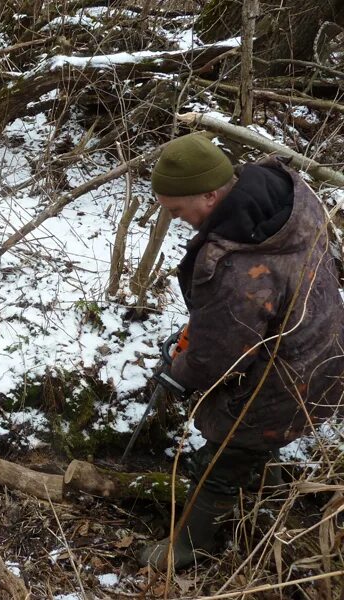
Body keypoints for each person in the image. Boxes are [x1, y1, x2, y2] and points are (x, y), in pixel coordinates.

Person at [138, 133, 344, 569]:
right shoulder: (283, 199)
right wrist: (203, 326)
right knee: (252, 445)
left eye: (177, 210)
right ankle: (260, 482)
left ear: (211, 194)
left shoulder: (233, 264)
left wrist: (180, 372)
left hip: (287, 380)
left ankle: (187, 549)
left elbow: (219, 357)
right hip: (324, 348)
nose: (177, 219)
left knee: (223, 459)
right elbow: (255, 311)